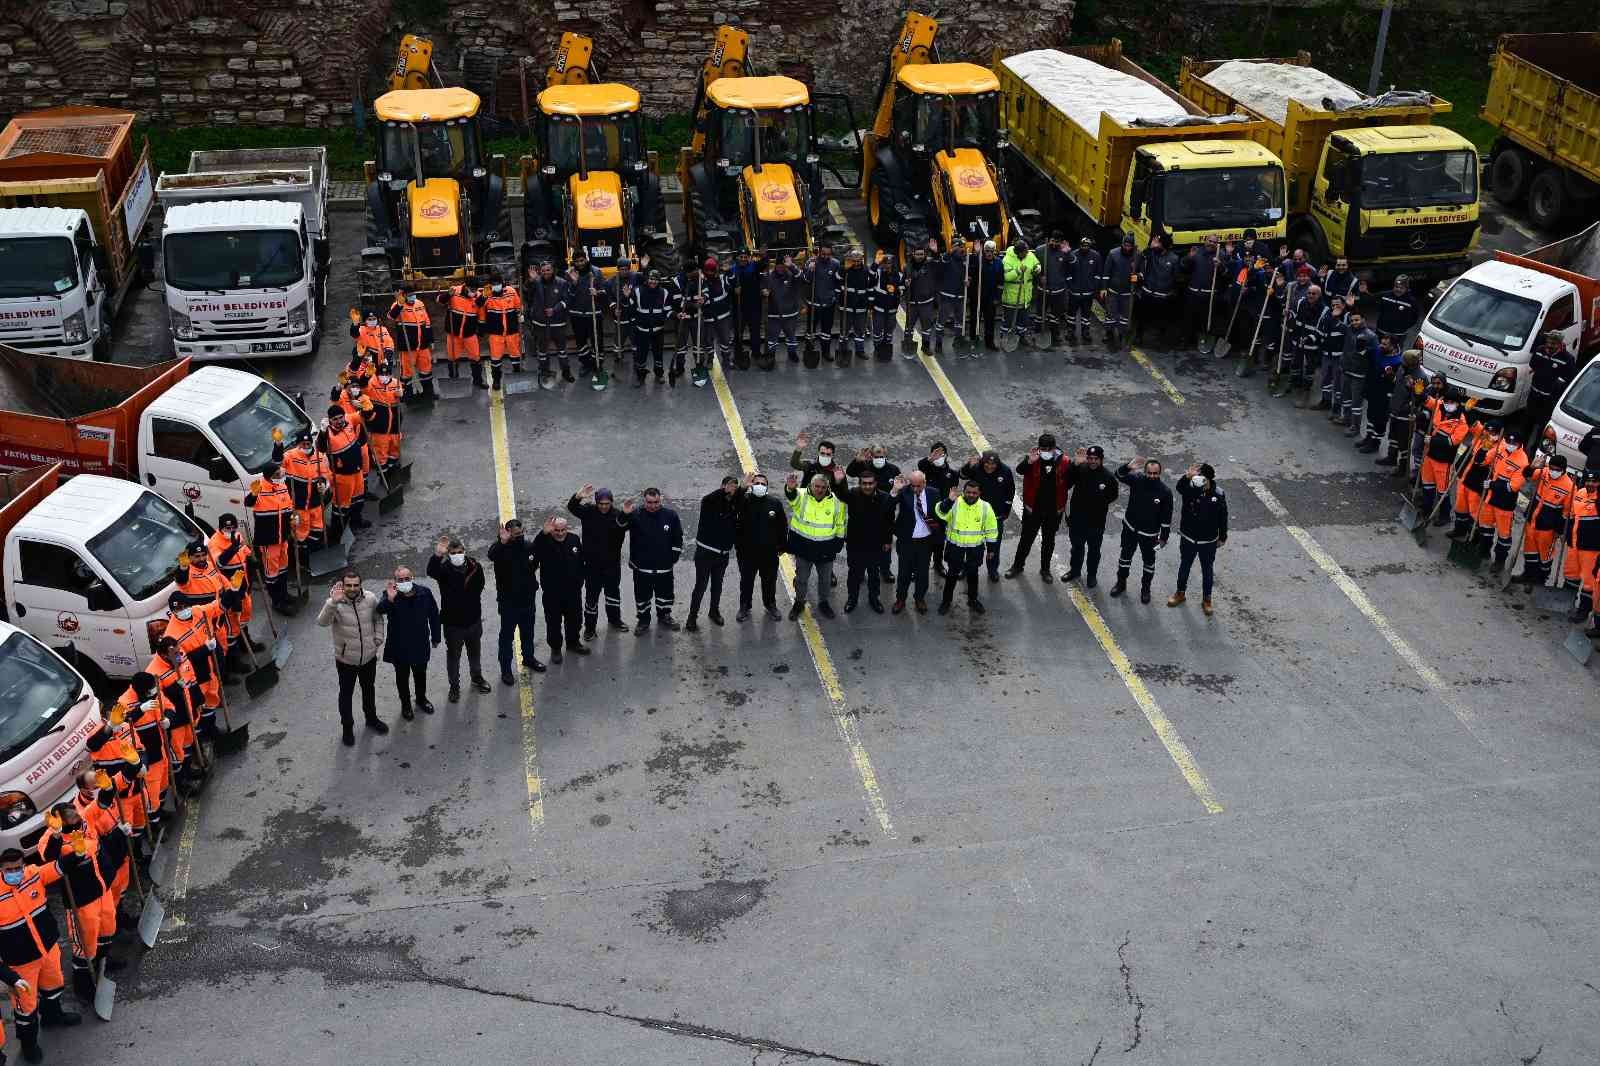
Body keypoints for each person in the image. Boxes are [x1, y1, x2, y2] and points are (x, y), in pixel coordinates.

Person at [0, 846, 83, 1065]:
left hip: (47, 950)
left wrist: (78, 853)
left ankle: (53, 1017)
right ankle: (29, 1045)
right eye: (10, 869)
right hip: (21, 965)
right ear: (2, 869)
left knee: (54, 987)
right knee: (25, 1008)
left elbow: (57, 868)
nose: (15, 872)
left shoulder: (32, 874)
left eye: (19, 867)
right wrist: (9, 977)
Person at [316, 571, 389, 746]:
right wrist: (332, 602)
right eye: (348, 585)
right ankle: (347, 728)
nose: (352, 588)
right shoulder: (335, 604)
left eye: (356, 585)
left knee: (368, 689)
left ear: (360, 585)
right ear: (343, 585)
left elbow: (378, 618)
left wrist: (378, 638)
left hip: (368, 658)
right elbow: (322, 622)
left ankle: (371, 719)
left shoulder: (370, 598)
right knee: (346, 694)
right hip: (346, 660)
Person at [426, 537, 491, 703]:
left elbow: (480, 585)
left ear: (464, 551)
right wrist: (437, 555)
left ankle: (477, 677)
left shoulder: (475, 567)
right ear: (448, 554)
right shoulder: (443, 570)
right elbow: (431, 571)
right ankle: (454, 686)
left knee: (475, 652)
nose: (457, 555)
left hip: (474, 621)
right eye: (453, 553)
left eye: (459, 552)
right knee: (454, 656)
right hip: (453, 625)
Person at [374, 565, 440, 720]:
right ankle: (406, 705)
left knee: (420, 674)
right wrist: (390, 599)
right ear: (395, 582)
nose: (404, 581)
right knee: (402, 677)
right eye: (400, 580)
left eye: (407, 579)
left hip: (420, 643)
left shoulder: (425, 593)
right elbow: (379, 610)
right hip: (399, 646)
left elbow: (434, 615)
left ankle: (421, 699)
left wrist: (436, 637)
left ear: (412, 578)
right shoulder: (390, 594)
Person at [567, 486, 631, 637]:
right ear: (596, 502)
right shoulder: (588, 511)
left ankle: (615, 620)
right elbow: (572, 507)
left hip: (612, 565)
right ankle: (590, 628)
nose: (603, 506)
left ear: (611, 502)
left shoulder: (618, 515)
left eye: (606, 503)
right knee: (591, 598)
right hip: (591, 565)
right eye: (601, 503)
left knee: (613, 594)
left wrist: (626, 515)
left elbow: (624, 525)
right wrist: (578, 496)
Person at [783, 473, 847, 619]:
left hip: (825, 550)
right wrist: (790, 488)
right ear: (810, 485)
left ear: (827, 487)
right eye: (816, 486)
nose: (819, 490)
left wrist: (837, 544)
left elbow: (840, 524)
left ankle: (823, 602)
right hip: (803, 549)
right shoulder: (801, 495)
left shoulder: (837, 502)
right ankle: (799, 602)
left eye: (823, 487)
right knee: (801, 579)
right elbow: (792, 496)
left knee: (825, 580)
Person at [487, 518, 544, 682]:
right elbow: (492, 555)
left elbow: (534, 564)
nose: (518, 536)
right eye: (514, 534)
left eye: (520, 533)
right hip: (508, 603)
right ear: (507, 534)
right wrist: (502, 542)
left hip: (527, 599)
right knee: (506, 637)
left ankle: (529, 658)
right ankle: (506, 669)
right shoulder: (501, 549)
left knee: (528, 632)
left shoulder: (528, 546)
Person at [1168, 464, 1228, 615]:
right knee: (1184, 567)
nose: (1196, 480)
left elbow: (1223, 516)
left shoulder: (1218, 494)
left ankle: (1207, 600)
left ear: (1207, 479)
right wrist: (1187, 476)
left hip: (1208, 542)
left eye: (1200, 477)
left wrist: (1222, 536)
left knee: (1207, 570)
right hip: (1188, 538)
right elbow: (1180, 487)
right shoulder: (1191, 489)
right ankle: (1180, 593)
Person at [1111, 457, 1173, 604]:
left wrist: (1163, 538)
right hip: (1130, 530)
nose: (1152, 476)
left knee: (1149, 563)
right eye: (1149, 473)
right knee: (1124, 558)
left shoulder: (1165, 492)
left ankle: (1146, 589)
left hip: (1150, 536)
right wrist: (1128, 467)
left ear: (1160, 473)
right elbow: (1118, 475)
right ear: (1145, 472)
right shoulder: (1137, 479)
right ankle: (1121, 583)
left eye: (1155, 473)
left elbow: (1166, 517)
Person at [933, 479, 1000, 615]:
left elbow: (992, 530)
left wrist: (991, 550)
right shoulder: (955, 503)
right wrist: (949, 500)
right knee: (951, 575)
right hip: (955, 547)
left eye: (974, 493)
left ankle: (973, 600)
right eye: (968, 492)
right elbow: (940, 513)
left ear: (979, 493)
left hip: (974, 550)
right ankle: (946, 601)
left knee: (972, 575)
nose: (971, 495)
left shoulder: (985, 507)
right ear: (963, 492)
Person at [1008, 434, 1067, 581]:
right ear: (1039, 448)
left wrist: (1079, 465)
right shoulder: (1033, 459)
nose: (1045, 451)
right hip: (1033, 509)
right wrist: (1029, 461)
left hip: (1054, 511)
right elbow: (1019, 470)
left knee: (1048, 540)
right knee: (1026, 539)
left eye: (1049, 449)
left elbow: (1072, 479)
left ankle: (1045, 570)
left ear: (1054, 448)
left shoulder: (1065, 462)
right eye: (1043, 448)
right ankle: (1017, 566)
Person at [686, 476, 742, 631]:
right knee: (701, 585)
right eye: (728, 486)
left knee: (717, 584)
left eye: (734, 487)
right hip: (706, 553)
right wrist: (724, 491)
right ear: (722, 486)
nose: (732, 489)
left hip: (722, 554)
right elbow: (713, 499)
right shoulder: (710, 501)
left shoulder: (734, 505)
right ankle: (692, 616)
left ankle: (714, 611)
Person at [624, 488, 684, 632]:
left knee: (665, 594)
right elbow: (619, 528)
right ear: (645, 501)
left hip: (664, 568)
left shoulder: (671, 515)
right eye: (649, 502)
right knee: (642, 596)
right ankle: (643, 620)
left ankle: (665, 616)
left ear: (660, 499)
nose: (653, 505)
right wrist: (624, 514)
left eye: (656, 502)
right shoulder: (635, 515)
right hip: (642, 568)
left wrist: (672, 558)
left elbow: (678, 538)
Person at [243, 458, 297, 614]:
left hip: (283, 537)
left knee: (283, 568)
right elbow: (248, 502)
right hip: (268, 540)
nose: (279, 475)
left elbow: (288, 507)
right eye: (276, 473)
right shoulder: (258, 488)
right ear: (268, 475)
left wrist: (293, 518)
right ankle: (277, 601)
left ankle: (284, 594)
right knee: (272, 572)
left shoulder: (282, 487)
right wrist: (253, 494)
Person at [532, 516, 588, 663]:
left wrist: (580, 580)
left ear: (567, 528)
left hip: (573, 591)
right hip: (553, 593)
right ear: (552, 530)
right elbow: (534, 550)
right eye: (556, 530)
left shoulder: (574, 539)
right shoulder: (544, 542)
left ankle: (573, 643)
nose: (560, 533)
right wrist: (543, 534)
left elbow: (581, 560)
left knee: (575, 619)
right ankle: (556, 648)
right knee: (553, 623)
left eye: (563, 530)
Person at [1064, 445, 1119, 587]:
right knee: (1076, 548)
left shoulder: (1108, 477)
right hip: (1077, 520)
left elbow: (1113, 495)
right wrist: (1074, 465)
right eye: (1089, 458)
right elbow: (1067, 483)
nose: (1092, 461)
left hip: (1096, 523)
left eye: (1096, 459)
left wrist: (1098, 503)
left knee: (1094, 551)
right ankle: (1074, 571)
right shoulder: (1080, 469)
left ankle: (1091, 575)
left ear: (1101, 460)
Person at [736, 472, 787, 621]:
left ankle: (770, 604)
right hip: (747, 553)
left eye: (763, 484)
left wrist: (782, 546)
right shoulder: (743, 501)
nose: (759, 486)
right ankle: (745, 606)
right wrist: (742, 488)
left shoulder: (775, 503)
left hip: (769, 553)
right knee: (746, 581)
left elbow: (782, 526)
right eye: (756, 483)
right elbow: (732, 503)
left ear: (767, 487)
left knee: (769, 580)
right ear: (752, 486)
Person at [842, 467, 893, 613]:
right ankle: (852, 598)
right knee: (854, 574)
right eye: (864, 483)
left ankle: (874, 598)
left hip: (875, 543)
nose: (867, 486)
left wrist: (887, 541)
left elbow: (889, 520)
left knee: (874, 574)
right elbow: (839, 493)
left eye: (870, 483)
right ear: (859, 483)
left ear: (875, 483)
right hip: (855, 543)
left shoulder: (884, 497)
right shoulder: (853, 494)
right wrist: (840, 481)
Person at [317, 404, 371, 540]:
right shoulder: (327, 434)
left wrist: (364, 405)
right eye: (335, 419)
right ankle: (336, 534)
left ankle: (356, 521)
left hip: (357, 472)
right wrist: (322, 432)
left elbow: (365, 416)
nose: (339, 421)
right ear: (330, 420)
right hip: (342, 477)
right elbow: (321, 447)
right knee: (341, 507)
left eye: (341, 417)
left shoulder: (349, 420)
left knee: (358, 499)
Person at [959, 450, 1015, 582]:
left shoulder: (1005, 471)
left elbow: (1010, 492)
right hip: (975, 515)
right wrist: (968, 465)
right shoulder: (976, 468)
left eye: (993, 464)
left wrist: (1005, 511)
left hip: (995, 517)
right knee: (970, 544)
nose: (990, 466)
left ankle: (992, 570)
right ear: (982, 462)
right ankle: (966, 568)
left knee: (994, 546)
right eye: (987, 464)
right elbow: (962, 475)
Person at [1519, 454, 1573, 589]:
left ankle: (1539, 581)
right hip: (1533, 519)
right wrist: (1532, 467)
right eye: (1551, 468)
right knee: (1529, 550)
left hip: (1548, 527)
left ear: (1563, 470)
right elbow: (1527, 475)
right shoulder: (1543, 472)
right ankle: (1527, 575)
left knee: (1544, 556)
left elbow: (1567, 513)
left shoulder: (1569, 487)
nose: (1553, 471)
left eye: (1556, 469)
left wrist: (1558, 531)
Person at [891, 470, 941, 613]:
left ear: (924, 483)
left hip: (925, 542)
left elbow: (939, 515)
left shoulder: (934, 493)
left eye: (918, 486)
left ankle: (919, 598)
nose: (915, 489)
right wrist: (895, 490)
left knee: (922, 573)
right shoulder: (904, 491)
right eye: (912, 486)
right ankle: (900, 599)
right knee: (904, 573)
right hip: (907, 541)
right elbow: (889, 504)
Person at [1482, 428, 1531, 572]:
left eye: (1513, 442)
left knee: (1504, 536)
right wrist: (1482, 452)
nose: (1510, 444)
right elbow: (1486, 460)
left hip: (1505, 504)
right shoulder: (1501, 448)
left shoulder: (1523, 462)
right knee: (1486, 527)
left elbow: (1512, 487)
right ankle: (1484, 551)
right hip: (1491, 498)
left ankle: (1499, 561)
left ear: (1519, 444)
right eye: (1508, 441)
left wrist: (1492, 484)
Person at [282, 430, 333, 560]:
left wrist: (324, 484)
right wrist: (278, 445)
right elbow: (277, 462)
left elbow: (326, 474)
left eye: (308, 443)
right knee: (300, 534)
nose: (306, 446)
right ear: (298, 444)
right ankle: (303, 557)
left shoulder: (319, 456)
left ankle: (314, 552)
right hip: (299, 505)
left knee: (318, 529)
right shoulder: (289, 456)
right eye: (303, 444)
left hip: (316, 502)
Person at [1377, 349, 1426, 471]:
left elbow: (1420, 398)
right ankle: (1391, 457)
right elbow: (1397, 382)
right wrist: (1390, 375)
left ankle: (1403, 466)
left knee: (1403, 442)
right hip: (1395, 409)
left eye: (1404, 361)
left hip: (1406, 414)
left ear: (1410, 363)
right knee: (1393, 436)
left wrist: (1412, 390)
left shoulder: (1420, 378)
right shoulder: (1402, 369)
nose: (1401, 362)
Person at [1526, 330, 1577, 443]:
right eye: (1548, 342)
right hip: (1534, 394)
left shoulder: (1567, 359)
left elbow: (1569, 378)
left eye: (1553, 343)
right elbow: (1533, 364)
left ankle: (1534, 451)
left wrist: (1556, 385)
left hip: (1549, 399)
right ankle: (1522, 447)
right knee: (1527, 423)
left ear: (1559, 344)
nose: (1549, 345)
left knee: (1542, 427)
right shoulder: (1539, 350)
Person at [523, 263, 569, 388]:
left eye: (548, 270)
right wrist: (530, 281)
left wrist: (555, 309)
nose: (546, 272)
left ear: (553, 270)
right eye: (543, 271)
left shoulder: (562, 283)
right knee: (542, 351)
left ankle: (566, 371)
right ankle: (544, 372)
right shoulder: (535, 282)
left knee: (562, 350)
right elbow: (526, 294)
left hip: (558, 322)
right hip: (541, 323)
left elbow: (566, 301)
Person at [388, 284, 435, 402]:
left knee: (426, 369)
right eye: (409, 295)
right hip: (407, 346)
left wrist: (431, 339)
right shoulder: (397, 305)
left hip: (423, 345)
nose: (412, 297)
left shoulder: (420, 304)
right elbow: (391, 316)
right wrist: (399, 305)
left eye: (413, 294)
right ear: (403, 295)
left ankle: (428, 394)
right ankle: (407, 396)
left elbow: (427, 322)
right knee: (407, 373)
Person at [919, 442, 959, 576]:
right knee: (922, 541)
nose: (939, 457)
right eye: (935, 454)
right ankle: (919, 567)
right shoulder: (926, 470)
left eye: (941, 454)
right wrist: (929, 460)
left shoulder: (952, 474)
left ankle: (938, 564)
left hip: (942, 513)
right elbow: (921, 465)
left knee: (939, 543)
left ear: (946, 456)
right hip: (925, 512)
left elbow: (952, 493)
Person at [439, 275, 487, 388]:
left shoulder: (479, 297)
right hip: (453, 334)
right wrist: (447, 295)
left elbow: (481, 315)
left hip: (470, 334)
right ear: (466, 287)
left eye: (476, 290)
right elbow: (440, 301)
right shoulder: (454, 291)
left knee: (476, 358)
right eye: (472, 290)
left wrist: (481, 330)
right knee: (452, 358)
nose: (474, 292)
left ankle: (478, 381)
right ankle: (454, 380)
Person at [1356, 336, 1402, 453]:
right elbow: (1362, 353)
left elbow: (1398, 382)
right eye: (1381, 343)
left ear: (1393, 347)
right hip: (1373, 391)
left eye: (1385, 344)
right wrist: (1360, 343)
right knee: (1371, 415)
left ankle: (1375, 443)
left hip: (1385, 396)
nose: (1381, 346)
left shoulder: (1398, 362)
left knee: (1380, 420)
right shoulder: (1377, 351)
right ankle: (1368, 437)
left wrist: (1391, 376)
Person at [630, 269, 676, 386]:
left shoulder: (664, 293)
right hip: (641, 331)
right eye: (651, 279)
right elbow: (630, 309)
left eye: (656, 279)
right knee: (641, 355)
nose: (653, 282)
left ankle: (659, 374)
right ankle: (640, 377)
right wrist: (626, 298)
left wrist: (677, 316)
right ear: (647, 279)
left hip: (658, 331)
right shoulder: (638, 291)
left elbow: (667, 310)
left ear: (659, 281)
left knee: (658, 354)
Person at [1134, 234, 1179, 347]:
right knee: (1142, 317)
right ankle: (1138, 337)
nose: (1155, 244)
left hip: (1163, 296)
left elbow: (1176, 277)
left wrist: (1173, 291)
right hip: (1148, 292)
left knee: (1162, 320)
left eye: (1157, 242)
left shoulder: (1174, 259)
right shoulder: (1151, 254)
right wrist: (1151, 246)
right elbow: (1140, 256)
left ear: (1164, 245)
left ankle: (1160, 341)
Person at [1338, 310, 1376, 434]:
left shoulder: (1370, 336)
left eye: (1357, 320)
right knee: (1346, 397)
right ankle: (1346, 418)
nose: (1354, 322)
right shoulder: (1348, 329)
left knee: (1356, 403)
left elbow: (1375, 354)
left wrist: (1365, 351)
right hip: (1347, 369)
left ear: (1363, 320)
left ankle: (1355, 427)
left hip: (1359, 374)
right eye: (1352, 320)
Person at [1181, 236, 1222, 350]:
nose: (1212, 243)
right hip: (1193, 292)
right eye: (1210, 241)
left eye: (1215, 242)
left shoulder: (1221, 255)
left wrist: (1220, 266)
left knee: (1205, 320)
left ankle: (1202, 341)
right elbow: (1183, 268)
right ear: (1205, 241)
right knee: (1189, 319)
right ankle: (1186, 341)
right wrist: (1189, 257)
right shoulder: (1196, 252)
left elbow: (1227, 275)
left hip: (1209, 294)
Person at [804, 244, 843, 362]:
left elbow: (838, 282)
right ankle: (809, 348)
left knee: (826, 330)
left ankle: (825, 352)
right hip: (813, 303)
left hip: (828, 304)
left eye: (828, 254)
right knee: (810, 329)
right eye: (823, 254)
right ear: (819, 252)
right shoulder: (811, 262)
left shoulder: (836, 264)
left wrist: (834, 297)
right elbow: (806, 280)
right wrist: (810, 270)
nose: (825, 256)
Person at [1000, 237, 1040, 346]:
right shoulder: (1007, 259)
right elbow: (1006, 277)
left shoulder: (1029, 255)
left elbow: (1036, 263)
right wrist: (1018, 271)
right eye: (1025, 252)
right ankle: (1005, 338)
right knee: (1008, 320)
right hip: (1011, 297)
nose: (1027, 254)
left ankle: (1021, 337)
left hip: (1025, 295)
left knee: (1023, 320)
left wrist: (1037, 268)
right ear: (1018, 253)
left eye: (1027, 251)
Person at [1100, 233, 1137, 349]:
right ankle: (1109, 333)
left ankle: (1122, 334)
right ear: (1122, 244)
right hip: (1113, 291)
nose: (1127, 248)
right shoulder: (1113, 254)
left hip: (1128, 293)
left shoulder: (1138, 256)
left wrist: (1138, 277)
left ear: (1132, 246)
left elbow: (1142, 272)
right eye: (1125, 245)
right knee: (1111, 314)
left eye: (1129, 246)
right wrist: (1104, 288)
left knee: (1125, 317)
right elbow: (1106, 273)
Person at [766, 254, 804, 368]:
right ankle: (771, 355)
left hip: (790, 314)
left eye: (783, 266)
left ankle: (792, 353)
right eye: (778, 266)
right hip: (774, 314)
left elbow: (801, 278)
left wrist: (791, 265)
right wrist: (763, 292)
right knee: (772, 337)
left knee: (791, 336)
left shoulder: (792, 274)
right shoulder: (769, 277)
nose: (781, 268)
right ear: (775, 266)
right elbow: (762, 288)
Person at [731, 250, 766, 368]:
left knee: (755, 331)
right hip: (739, 308)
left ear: (749, 258)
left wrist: (763, 254)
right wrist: (733, 290)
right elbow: (727, 286)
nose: (743, 259)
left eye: (745, 257)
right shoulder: (732, 270)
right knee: (738, 332)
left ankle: (756, 353)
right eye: (741, 257)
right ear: (737, 258)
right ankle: (738, 353)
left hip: (754, 306)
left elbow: (764, 263)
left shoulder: (754, 267)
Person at [903, 243, 940, 356]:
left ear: (925, 254)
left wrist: (935, 252)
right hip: (912, 303)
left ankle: (926, 346)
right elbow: (901, 283)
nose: (920, 256)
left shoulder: (929, 265)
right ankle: (908, 344)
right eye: (917, 254)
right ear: (913, 254)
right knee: (909, 327)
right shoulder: (907, 267)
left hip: (926, 303)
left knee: (927, 327)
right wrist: (905, 284)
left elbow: (939, 263)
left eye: (922, 254)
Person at [1066, 237, 1102, 345]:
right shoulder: (1073, 255)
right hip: (1074, 292)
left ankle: (1085, 331)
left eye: (1087, 246)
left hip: (1088, 292)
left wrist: (1094, 286)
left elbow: (1098, 273)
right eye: (1083, 245)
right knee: (1071, 313)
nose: (1085, 247)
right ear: (1079, 245)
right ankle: (1070, 331)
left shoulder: (1096, 256)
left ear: (1089, 246)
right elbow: (1067, 272)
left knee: (1086, 314)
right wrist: (1071, 286)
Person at [841, 248, 873, 366]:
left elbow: (870, 287)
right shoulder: (846, 271)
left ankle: (860, 351)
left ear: (862, 261)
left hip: (860, 307)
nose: (856, 263)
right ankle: (843, 351)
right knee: (844, 331)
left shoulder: (866, 271)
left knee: (860, 331)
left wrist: (869, 303)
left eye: (859, 261)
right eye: (854, 261)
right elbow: (838, 281)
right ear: (850, 261)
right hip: (847, 306)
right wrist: (843, 270)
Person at [871, 250, 903, 361]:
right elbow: (870, 278)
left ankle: (886, 345)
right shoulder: (878, 273)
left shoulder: (899, 275)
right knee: (877, 331)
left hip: (891, 310)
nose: (887, 265)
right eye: (885, 263)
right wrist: (875, 264)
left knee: (889, 331)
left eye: (889, 263)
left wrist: (897, 291)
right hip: (879, 309)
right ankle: (877, 348)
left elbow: (903, 289)